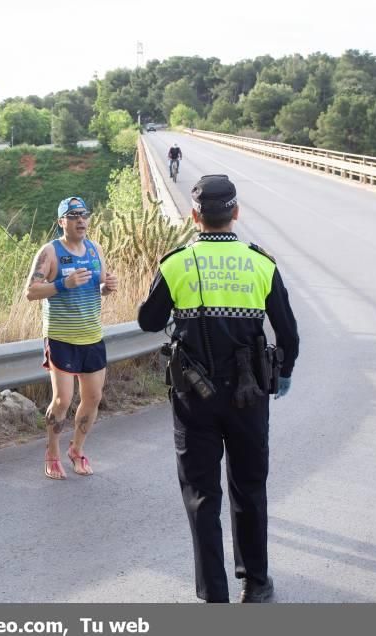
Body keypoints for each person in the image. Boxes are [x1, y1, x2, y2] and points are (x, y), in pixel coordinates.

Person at [137, 174, 299, 603]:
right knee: (249, 486)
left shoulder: (175, 263)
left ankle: (214, 594)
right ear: (235, 214)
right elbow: (289, 333)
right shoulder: (261, 263)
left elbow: (148, 321)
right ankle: (257, 583)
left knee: (201, 494)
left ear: (194, 216)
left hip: (194, 398)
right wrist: (283, 376)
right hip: (249, 396)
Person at [24, 196, 119, 480]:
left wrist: (107, 287)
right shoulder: (50, 252)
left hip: (92, 336)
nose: (81, 220)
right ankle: (52, 454)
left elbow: (98, 283)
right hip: (61, 337)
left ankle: (76, 450)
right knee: (63, 400)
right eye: (73, 215)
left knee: (92, 398)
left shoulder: (94, 249)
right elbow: (30, 291)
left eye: (84, 215)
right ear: (61, 221)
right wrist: (63, 284)